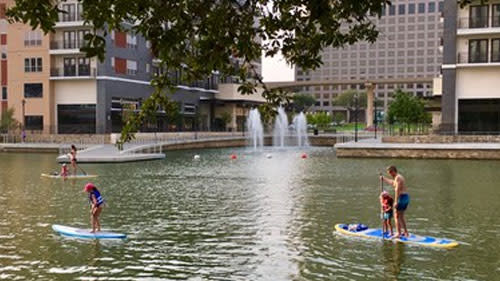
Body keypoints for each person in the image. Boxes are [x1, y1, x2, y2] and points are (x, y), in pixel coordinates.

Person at [380, 165, 409, 238]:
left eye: (390, 172)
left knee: (396, 216)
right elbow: (393, 183)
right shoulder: (398, 177)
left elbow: (397, 189)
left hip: (401, 197)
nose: (390, 174)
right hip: (406, 197)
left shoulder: (398, 177)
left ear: (393, 171)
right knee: (401, 216)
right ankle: (405, 232)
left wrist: (396, 201)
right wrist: (384, 179)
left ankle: (398, 233)